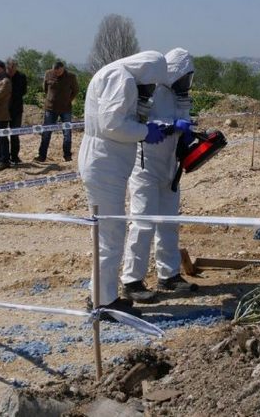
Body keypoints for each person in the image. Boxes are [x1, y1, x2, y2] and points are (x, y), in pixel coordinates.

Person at [79, 51, 168, 318]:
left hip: (105, 162)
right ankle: (103, 303)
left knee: (108, 233)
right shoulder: (123, 79)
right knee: (110, 234)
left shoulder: (115, 73)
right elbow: (112, 125)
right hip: (105, 164)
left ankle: (101, 294)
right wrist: (145, 132)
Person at [121, 48, 197, 301]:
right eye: (184, 75)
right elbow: (139, 123)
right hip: (145, 166)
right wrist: (170, 126)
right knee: (142, 223)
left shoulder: (179, 95)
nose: (186, 82)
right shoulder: (150, 88)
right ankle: (132, 281)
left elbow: (183, 120)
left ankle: (169, 275)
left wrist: (190, 134)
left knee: (169, 222)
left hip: (170, 166)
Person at [36, 61, 78, 162]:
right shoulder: (48, 74)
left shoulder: (71, 77)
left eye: (59, 72)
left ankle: (67, 155)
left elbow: (75, 90)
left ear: (63, 69)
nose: (57, 73)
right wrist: (50, 98)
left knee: (67, 133)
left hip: (66, 109)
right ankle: (42, 156)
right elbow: (45, 88)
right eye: (55, 71)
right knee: (46, 132)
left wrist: (68, 100)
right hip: (50, 108)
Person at [6, 58, 27, 164]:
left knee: (15, 134)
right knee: (3, 134)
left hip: (17, 109)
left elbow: (24, 91)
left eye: (13, 68)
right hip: (3, 110)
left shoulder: (22, 77)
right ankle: (4, 157)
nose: (11, 70)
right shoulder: (3, 77)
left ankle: (14, 156)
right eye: (9, 68)